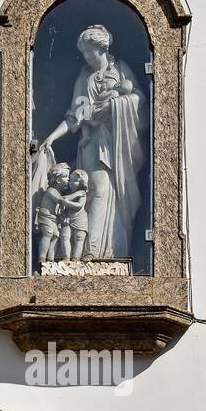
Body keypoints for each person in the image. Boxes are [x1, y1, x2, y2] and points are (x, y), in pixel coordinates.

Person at [35, 24, 145, 260]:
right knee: (98, 190)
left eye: (87, 51)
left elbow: (139, 100)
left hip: (118, 146)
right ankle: (90, 251)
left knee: (110, 193)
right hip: (93, 144)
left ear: (100, 49)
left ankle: (106, 250)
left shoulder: (121, 70)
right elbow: (76, 116)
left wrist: (115, 106)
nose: (85, 56)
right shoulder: (84, 77)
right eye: (83, 51)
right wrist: (52, 137)